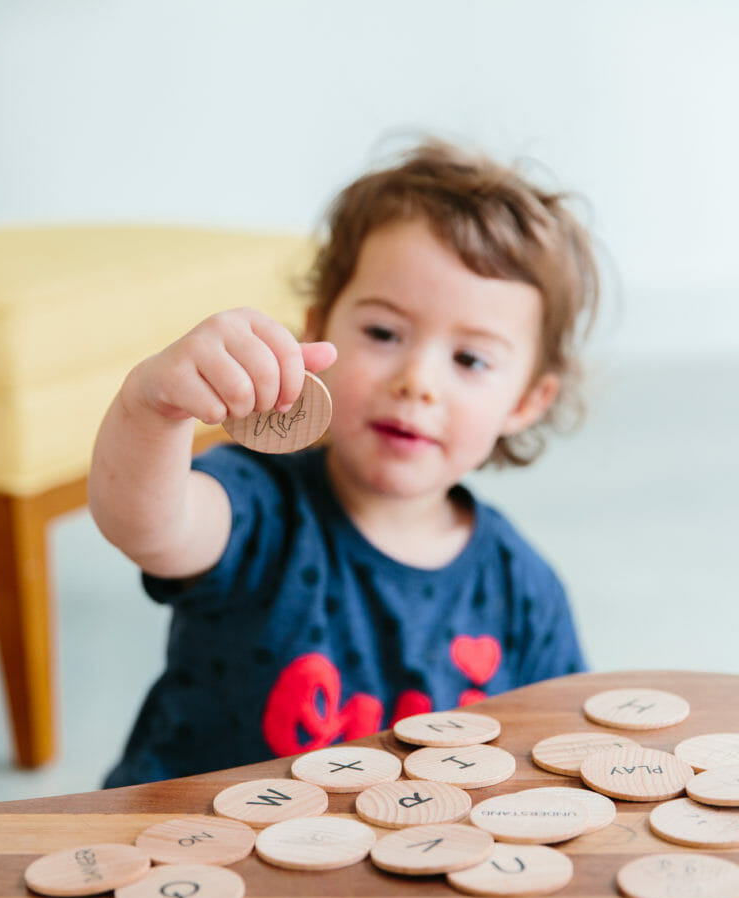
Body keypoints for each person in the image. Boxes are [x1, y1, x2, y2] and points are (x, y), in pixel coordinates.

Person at [89, 139, 600, 788]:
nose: (418, 381)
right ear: (317, 328)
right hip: (198, 855)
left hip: (398, 869)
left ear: (528, 400)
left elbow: (559, 755)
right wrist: (151, 408)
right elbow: (146, 524)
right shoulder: (257, 503)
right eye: (384, 334)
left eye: (469, 360)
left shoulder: (521, 588)